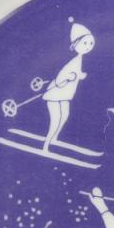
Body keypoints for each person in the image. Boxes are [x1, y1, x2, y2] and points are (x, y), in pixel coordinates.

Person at [41, 17, 95, 153]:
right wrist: (68, 77)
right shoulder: (73, 61)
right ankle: (46, 145)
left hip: (65, 94)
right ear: (75, 44)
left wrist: (80, 76)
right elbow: (60, 79)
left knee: (65, 115)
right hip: (55, 94)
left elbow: (75, 74)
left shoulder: (79, 59)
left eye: (90, 43)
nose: (88, 46)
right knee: (56, 119)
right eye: (85, 43)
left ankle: (54, 139)